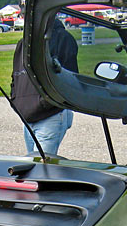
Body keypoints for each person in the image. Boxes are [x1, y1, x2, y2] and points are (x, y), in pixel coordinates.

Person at [10, 17, 78, 155]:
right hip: (28, 116)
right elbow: (16, 77)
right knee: (32, 161)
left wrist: (46, 103)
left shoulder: (62, 39)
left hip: (50, 116)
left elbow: (69, 79)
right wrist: (16, 101)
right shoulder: (24, 43)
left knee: (41, 164)